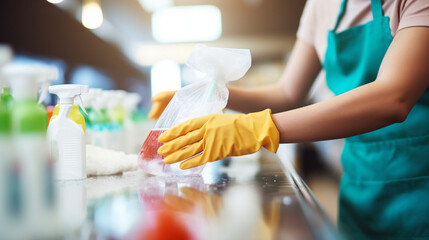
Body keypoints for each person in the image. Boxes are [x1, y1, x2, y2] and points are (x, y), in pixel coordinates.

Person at [149, 0, 429, 238]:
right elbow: (287, 93)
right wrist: (215, 92)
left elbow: (395, 96)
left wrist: (255, 129)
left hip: (420, 188)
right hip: (360, 183)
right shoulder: (322, 5)